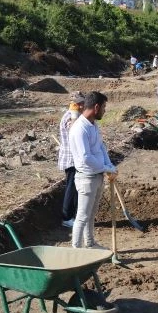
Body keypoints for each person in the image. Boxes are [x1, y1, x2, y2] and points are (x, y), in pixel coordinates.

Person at [68, 91, 117, 249]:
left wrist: (109, 166)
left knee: (91, 215)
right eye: (103, 107)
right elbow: (85, 158)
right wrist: (104, 167)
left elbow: (100, 147)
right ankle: (76, 250)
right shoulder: (79, 129)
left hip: (97, 176)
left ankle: (89, 243)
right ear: (96, 107)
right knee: (82, 216)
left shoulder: (93, 125)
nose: (104, 110)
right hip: (86, 178)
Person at [57, 91, 85, 228]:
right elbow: (73, 131)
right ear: (78, 104)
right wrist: (75, 116)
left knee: (74, 187)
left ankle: (72, 216)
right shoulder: (70, 116)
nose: (84, 106)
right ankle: (67, 218)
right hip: (71, 159)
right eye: (82, 104)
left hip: (74, 158)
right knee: (71, 188)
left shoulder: (76, 114)